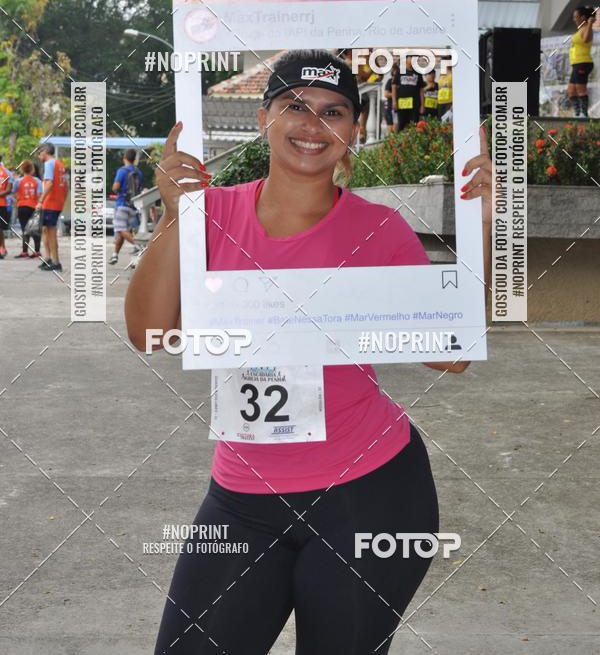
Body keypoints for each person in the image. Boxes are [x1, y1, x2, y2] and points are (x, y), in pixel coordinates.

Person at [126, 50, 492, 655]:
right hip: (241, 498)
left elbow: (450, 353)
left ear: (354, 130)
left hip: (371, 495)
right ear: (265, 116)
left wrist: (481, 224)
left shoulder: (379, 230)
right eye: (294, 105)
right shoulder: (210, 213)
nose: (311, 124)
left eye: (334, 111)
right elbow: (149, 334)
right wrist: (174, 214)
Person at [36, 142, 68, 272]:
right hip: (57, 202)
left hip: (50, 203)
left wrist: (40, 200)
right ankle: (48, 258)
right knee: (45, 230)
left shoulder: (49, 164)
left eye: (39, 153)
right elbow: (66, 186)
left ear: (44, 152)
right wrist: (62, 201)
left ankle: (56, 262)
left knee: (51, 233)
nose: (39, 156)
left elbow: (49, 184)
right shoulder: (60, 164)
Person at [109, 148, 143, 265]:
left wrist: (115, 188)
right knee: (122, 232)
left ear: (124, 158)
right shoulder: (138, 172)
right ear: (134, 159)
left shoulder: (122, 171)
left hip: (122, 204)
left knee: (120, 229)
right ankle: (115, 255)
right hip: (133, 206)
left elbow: (115, 187)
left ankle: (139, 245)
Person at [567, 6, 595, 118]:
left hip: (583, 62)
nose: (574, 19)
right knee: (571, 91)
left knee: (581, 90)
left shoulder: (587, 28)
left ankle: (584, 114)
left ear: (582, 17)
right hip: (576, 64)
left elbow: (586, 39)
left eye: (576, 17)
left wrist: (590, 24)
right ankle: (578, 113)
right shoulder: (580, 29)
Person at [12, 159, 42, 258]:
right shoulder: (37, 181)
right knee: (35, 229)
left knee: (25, 229)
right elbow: (40, 194)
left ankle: (25, 252)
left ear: (22, 169)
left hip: (22, 207)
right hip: (34, 207)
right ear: (32, 169)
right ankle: (37, 251)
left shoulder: (18, 181)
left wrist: (17, 201)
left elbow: (13, 193)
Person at [392, 54, 424, 130]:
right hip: (402, 103)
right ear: (406, 59)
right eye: (411, 57)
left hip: (415, 104)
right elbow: (393, 87)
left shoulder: (418, 73)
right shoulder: (400, 71)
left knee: (414, 126)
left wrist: (422, 105)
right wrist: (394, 102)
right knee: (401, 125)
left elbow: (421, 90)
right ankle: (399, 141)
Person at [0, 152, 13, 259]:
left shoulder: (6, 172)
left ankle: (2, 248)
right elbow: (9, 190)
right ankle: (3, 248)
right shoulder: (8, 172)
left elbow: (9, 189)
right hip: (3, 204)